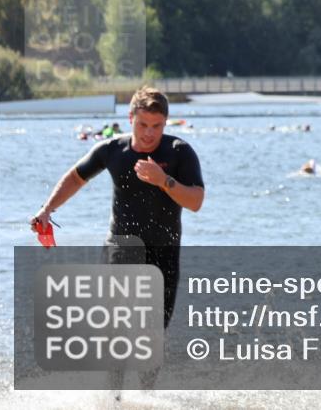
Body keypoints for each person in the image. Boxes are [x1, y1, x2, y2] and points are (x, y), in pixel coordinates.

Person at [29, 86, 205, 384]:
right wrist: (47, 210)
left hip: (164, 254)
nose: (149, 133)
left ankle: (145, 399)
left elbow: (196, 201)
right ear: (130, 118)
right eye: (142, 125)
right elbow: (75, 177)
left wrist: (164, 181)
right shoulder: (113, 150)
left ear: (166, 122)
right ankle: (113, 399)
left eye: (157, 126)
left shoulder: (178, 152)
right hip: (120, 249)